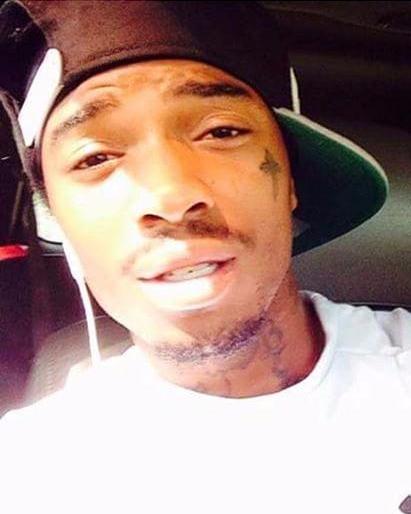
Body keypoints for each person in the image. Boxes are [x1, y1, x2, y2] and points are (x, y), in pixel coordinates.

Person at [0, 1, 410, 513]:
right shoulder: (29, 472)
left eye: (221, 132)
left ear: (292, 182)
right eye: (96, 158)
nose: (169, 197)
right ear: (58, 220)